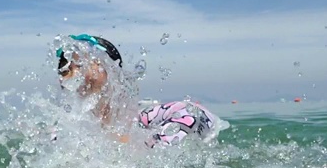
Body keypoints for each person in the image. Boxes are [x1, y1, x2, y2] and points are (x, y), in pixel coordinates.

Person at [55, 34, 218, 147]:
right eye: (64, 69)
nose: (74, 74)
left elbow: (196, 114)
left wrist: (136, 146)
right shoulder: (64, 135)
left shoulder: (147, 119)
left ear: (115, 74)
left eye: (83, 64)